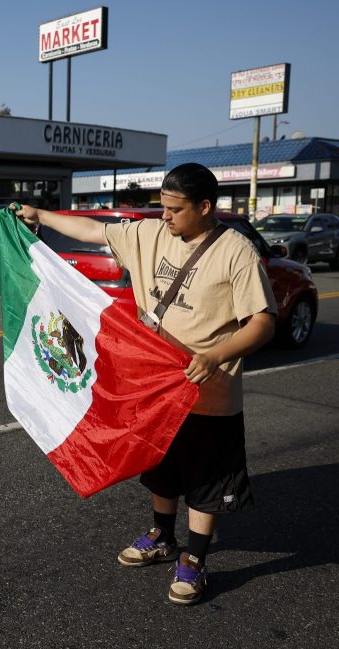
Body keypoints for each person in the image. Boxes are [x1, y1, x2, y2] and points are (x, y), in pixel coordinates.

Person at [15, 163, 277, 606]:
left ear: (205, 207)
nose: (166, 217)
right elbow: (93, 231)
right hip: (155, 386)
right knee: (159, 467)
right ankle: (161, 536)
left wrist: (215, 356)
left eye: (175, 209)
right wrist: (41, 215)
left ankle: (194, 560)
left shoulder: (236, 252)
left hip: (207, 392)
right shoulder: (151, 233)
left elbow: (264, 323)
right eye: (163, 206)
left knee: (205, 480)